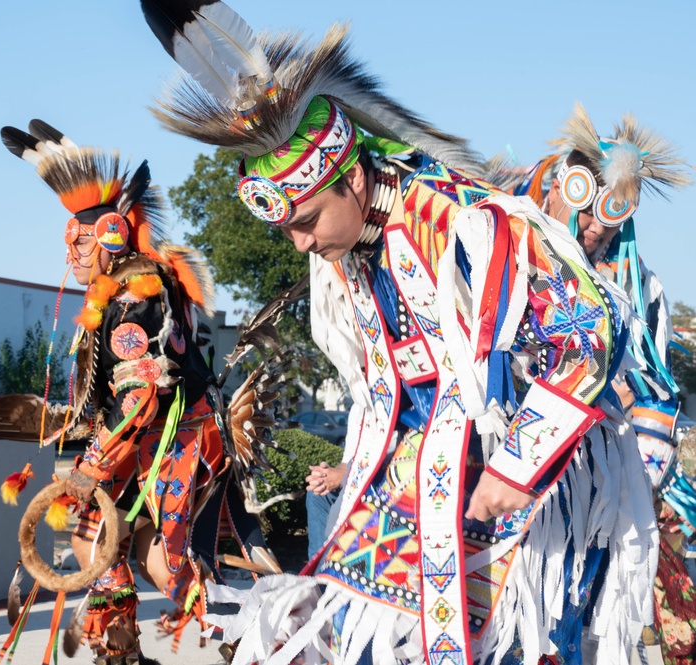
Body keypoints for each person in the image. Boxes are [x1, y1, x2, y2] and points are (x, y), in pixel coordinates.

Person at [140, 2, 658, 663]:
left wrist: (517, 463)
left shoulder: (466, 221)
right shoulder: (353, 250)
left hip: (519, 491)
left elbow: (590, 332)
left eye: (305, 220)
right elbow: (391, 391)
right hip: (415, 484)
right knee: (339, 632)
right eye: (285, 231)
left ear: (351, 178)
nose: (299, 241)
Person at [0, 119, 279, 664]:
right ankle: (119, 651)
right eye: (68, 242)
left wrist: (91, 468)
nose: (71, 255)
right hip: (147, 438)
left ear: (112, 234)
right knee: (93, 534)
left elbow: (138, 397)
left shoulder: (136, 294)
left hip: (178, 438)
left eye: (82, 240)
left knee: (169, 561)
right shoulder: (115, 294)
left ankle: (257, 640)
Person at [511, 104, 694, 663]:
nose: (593, 229)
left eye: (609, 222)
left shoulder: (638, 289)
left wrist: (632, 485)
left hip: (594, 482)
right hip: (505, 470)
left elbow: (655, 389)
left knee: (567, 619)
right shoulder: (508, 254)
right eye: (586, 214)